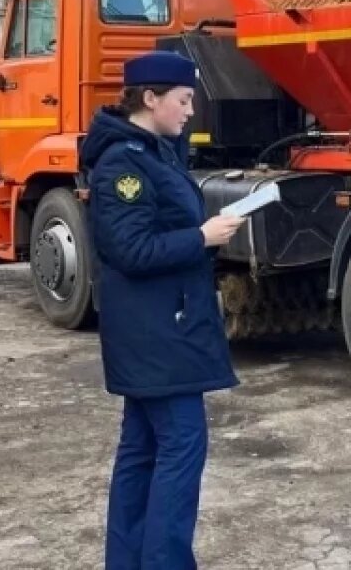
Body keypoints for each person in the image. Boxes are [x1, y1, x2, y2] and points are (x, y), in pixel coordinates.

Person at [80, 49, 243, 569]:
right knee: (179, 449)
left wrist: (203, 235)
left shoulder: (153, 152)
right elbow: (129, 249)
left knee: (143, 451)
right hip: (158, 333)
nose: (190, 110)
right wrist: (202, 236)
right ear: (149, 99)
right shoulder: (123, 163)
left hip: (160, 328)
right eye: (183, 99)